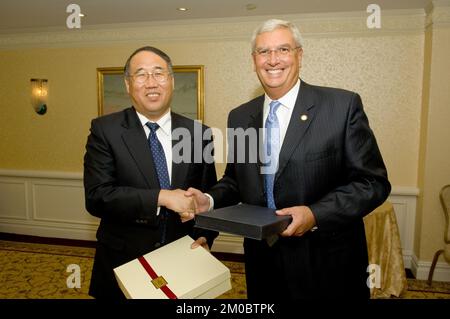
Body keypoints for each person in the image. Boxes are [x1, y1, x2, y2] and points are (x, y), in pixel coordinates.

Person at [187, 19, 391, 299]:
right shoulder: (240, 116)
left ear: (299, 54)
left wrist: (315, 214)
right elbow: (237, 181)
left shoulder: (341, 106)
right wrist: (207, 201)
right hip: (262, 260)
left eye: (283, 49)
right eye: (263, 52)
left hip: (326, 262)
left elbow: (373, 183)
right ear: (253, 60)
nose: (273, 60)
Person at [83, 46, 217, 299]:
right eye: (141, 75)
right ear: (128, 84)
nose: (151, 82)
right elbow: (97, 197)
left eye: (159, 73)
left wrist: (204, 236)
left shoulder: (199, 134)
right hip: (123, 263)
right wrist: (162, 197)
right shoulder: (105, 130)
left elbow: (207, 196)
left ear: (172, 81)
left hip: (183, 259)